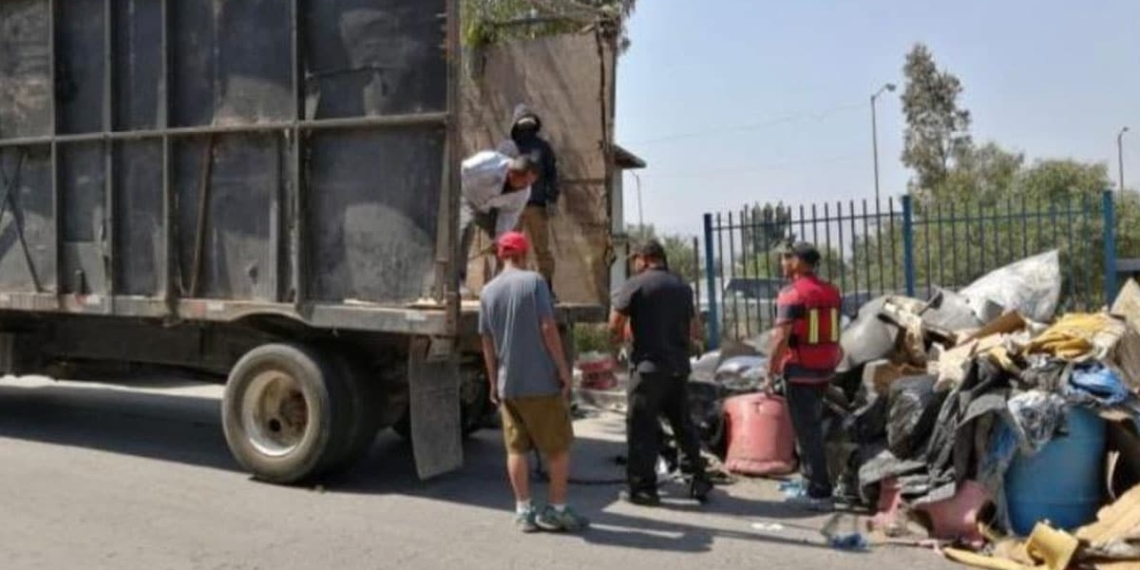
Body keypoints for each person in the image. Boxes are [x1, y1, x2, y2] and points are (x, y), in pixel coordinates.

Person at [478, 231, 589, 533]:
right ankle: (556, 510)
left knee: (516, 450)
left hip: (508, 384)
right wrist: (564, 370)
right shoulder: (534, 282)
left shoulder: (487, 292)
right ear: (524, 254)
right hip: (540, 383)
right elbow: (547, 327)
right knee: (557, 448)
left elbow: (486, 343)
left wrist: (492, 382)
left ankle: (523, 511)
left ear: (500, 255)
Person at [609, 240, 713, 506]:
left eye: (635, 260)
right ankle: (698, 479)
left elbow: (615, 324)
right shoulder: (682, 286)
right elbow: (695, 329)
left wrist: (618, 346)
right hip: (678, 368)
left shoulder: (636, 284)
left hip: (647, 370)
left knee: (641, 427)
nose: (634, 264)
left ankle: (644, 488)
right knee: (682, 424)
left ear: (644, 258)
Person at [764, 242, 843, 512]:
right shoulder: (831, 292)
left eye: (786, 259)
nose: (782, 264)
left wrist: (770, 371)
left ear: (797, 262)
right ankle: (811, 482)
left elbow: (781, 338)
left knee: (807, 433)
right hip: (824, 369)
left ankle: (820, 491)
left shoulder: (791, 294)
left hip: (799, 371)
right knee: (811, 429)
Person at [459, 149, 540, 295]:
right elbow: (460, 170)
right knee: (465, 229)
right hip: (464, 197)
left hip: (489, 208)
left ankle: (500, 284)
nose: (527, 186)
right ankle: (457, 280)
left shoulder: (523, 193)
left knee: (506, 242)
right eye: (525, 181)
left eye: (530, 182)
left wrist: (499, 240)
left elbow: (508, 216)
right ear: (512, 173)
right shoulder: (488, 163)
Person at [506, 104, 559, 293]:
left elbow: (552, 174)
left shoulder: (543, 147)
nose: (526, 126)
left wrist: (552, 198)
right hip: (513, 207)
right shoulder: (508, 148)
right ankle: (511, 288)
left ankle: (546, 290)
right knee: (511, 247)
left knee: (542, 250)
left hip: (537, 206)